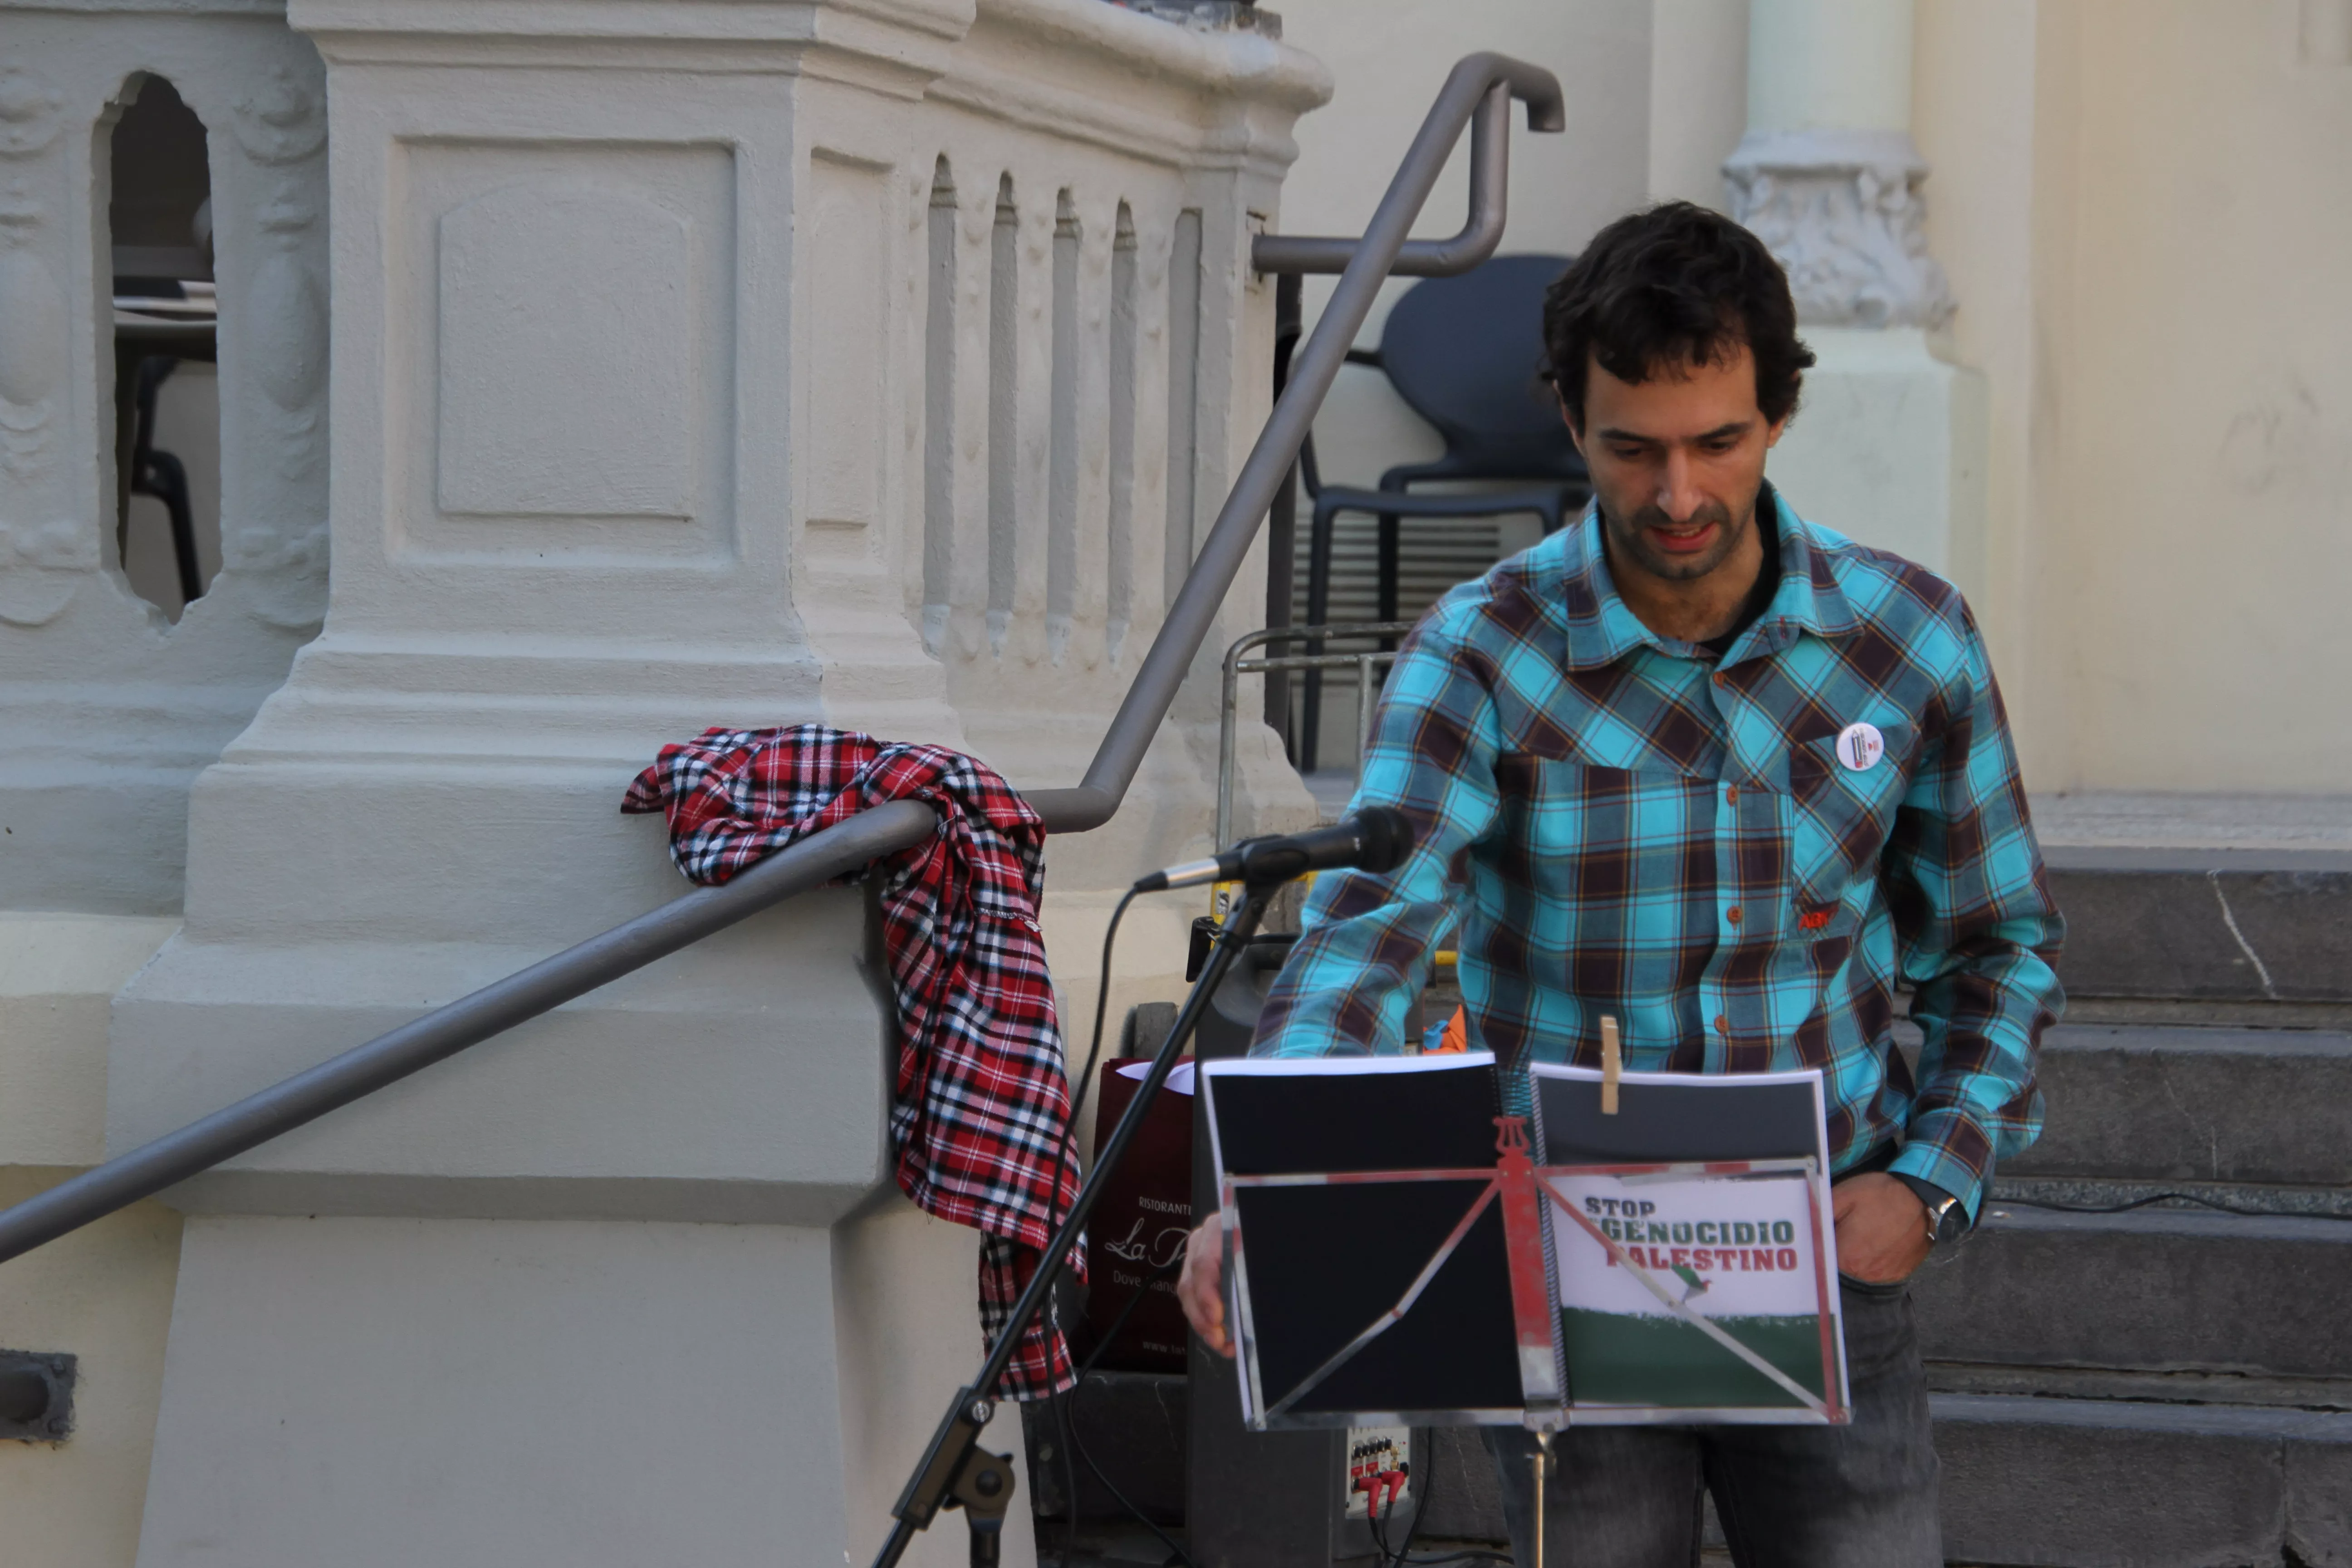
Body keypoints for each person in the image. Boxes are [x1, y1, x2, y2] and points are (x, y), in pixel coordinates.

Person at [1176, 202, 2064, 1567]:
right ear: (1569, 418)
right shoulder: (1484, 649)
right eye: (1631, 448)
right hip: (1566, 1269)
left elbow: (1997, 948)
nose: (1679, 496)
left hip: (1830, 1246)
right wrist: (1275, 1188)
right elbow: (1371, 931)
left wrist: (1932, 1185)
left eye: (1718, 441)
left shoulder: (1911, 639)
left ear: (1780, 414)